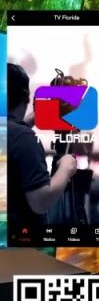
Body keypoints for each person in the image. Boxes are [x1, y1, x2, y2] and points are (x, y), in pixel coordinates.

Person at [6, 63, 77, 235]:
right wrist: (66, 168)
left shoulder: (12, 133)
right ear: (26, 96)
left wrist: (31, 120)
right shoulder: (23, 137)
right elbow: (40, 202)